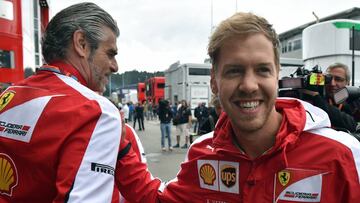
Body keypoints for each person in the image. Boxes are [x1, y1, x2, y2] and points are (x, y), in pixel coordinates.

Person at [115, 12, 360, 202]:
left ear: (277, 76)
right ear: (214, 81)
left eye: (262, 70)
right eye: (234, 71)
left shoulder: (343, 154)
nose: (249, 85)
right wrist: (120, 143)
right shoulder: (202, 153)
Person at [0, 3, 129, 202]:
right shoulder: (96, 111)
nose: (115, 66)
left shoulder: (8, 95)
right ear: (82, 44)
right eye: (110, 53)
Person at [302, 62, 358, 132]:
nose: (332, 84)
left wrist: (317, 98)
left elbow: (352, 125)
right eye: (328, 79)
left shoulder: (355, 101)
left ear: (347, 83)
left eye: (338, 79)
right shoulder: (316, 95)